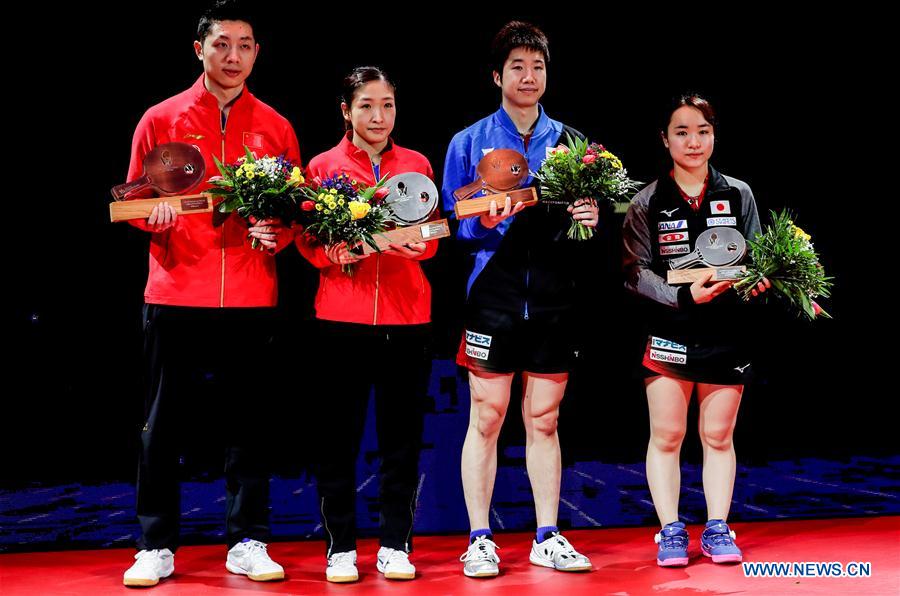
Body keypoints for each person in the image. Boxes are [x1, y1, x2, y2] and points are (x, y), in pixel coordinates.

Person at [121, 0, 300, 587]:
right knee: (161, 425)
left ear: (256, 53)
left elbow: (294, 211)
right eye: (222, 43)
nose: (233, 55)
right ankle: (155, 544)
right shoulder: (160, 118)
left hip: (251, 296)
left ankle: (248, 540)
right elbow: (133, 202)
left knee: (250, 425)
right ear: (199, 49)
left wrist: (278, 233)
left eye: (245, 44)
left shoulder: (276, 126)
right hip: (175, 291)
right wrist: (157, 215)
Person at [442, 21, 599, 578]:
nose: (528, 76)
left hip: (554, 299)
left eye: (537, 66)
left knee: (545, 419)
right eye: (517, 66)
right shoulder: (468, 142)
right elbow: (452, 228)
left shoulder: (575, 144)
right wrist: (482, 221)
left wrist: (589, 219)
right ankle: (480, 538)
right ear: (496, 75)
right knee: (486, 416)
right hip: (493, 296)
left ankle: (547, 535)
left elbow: (587, 223)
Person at [295, 66, 437, 583]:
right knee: (338, 439)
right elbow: (307, 243)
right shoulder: (323, 166)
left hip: (407, 320)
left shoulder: (416, 163)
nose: (379, 116)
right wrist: (337, 249)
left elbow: (432, 233)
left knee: (402, 440)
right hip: (340, 322)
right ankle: (341, 548)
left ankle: (396, 544)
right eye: (367, 106)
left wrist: (424, 245)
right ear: (346, 110)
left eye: (388, 105)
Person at [622, 93, 769, 567]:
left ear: (714, 136)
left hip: (728, 333)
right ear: (664, 140)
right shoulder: (646, 202)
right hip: (669, 331)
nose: (693, 141)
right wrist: (684, 297)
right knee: (666, 435)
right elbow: (635, 272)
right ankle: (670, 530)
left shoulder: (739, 194)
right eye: (682, 132)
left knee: (718, 436)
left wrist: (757, 283)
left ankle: (718, 527)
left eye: (702, 131)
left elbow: (754, 258)